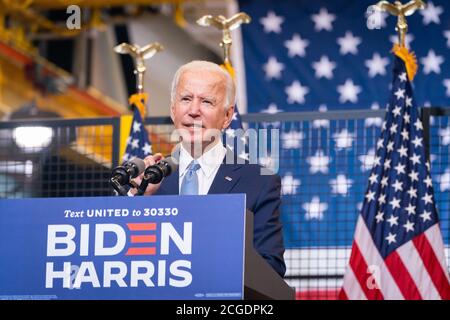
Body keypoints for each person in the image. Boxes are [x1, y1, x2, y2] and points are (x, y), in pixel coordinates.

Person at [131, 60, 286, 277]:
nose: (193, 111)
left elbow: (271, 268)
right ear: (173, 110)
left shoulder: (260, 183)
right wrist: (141, 200)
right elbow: (127, 260)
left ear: (227, 117)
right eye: (185, 99)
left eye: (206, 102)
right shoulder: (151, 180)